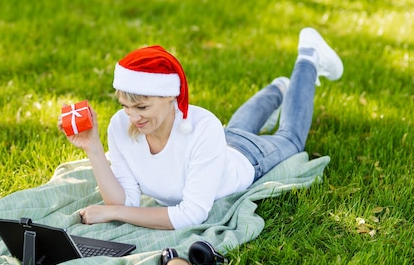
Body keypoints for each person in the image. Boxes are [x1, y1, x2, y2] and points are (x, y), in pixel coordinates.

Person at [60, 27, 343, 230]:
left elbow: (190, 215)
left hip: (248, 159)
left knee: (290, 139)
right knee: (235, 129)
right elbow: (126, 199)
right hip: (220, 147)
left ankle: (308, 55)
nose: (132, 117)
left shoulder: (202, 125)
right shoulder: (120, 126)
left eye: (142, 107)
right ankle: (278, 88)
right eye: (125, 106)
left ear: (170, 96)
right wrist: (94, 149)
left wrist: (115, 213)